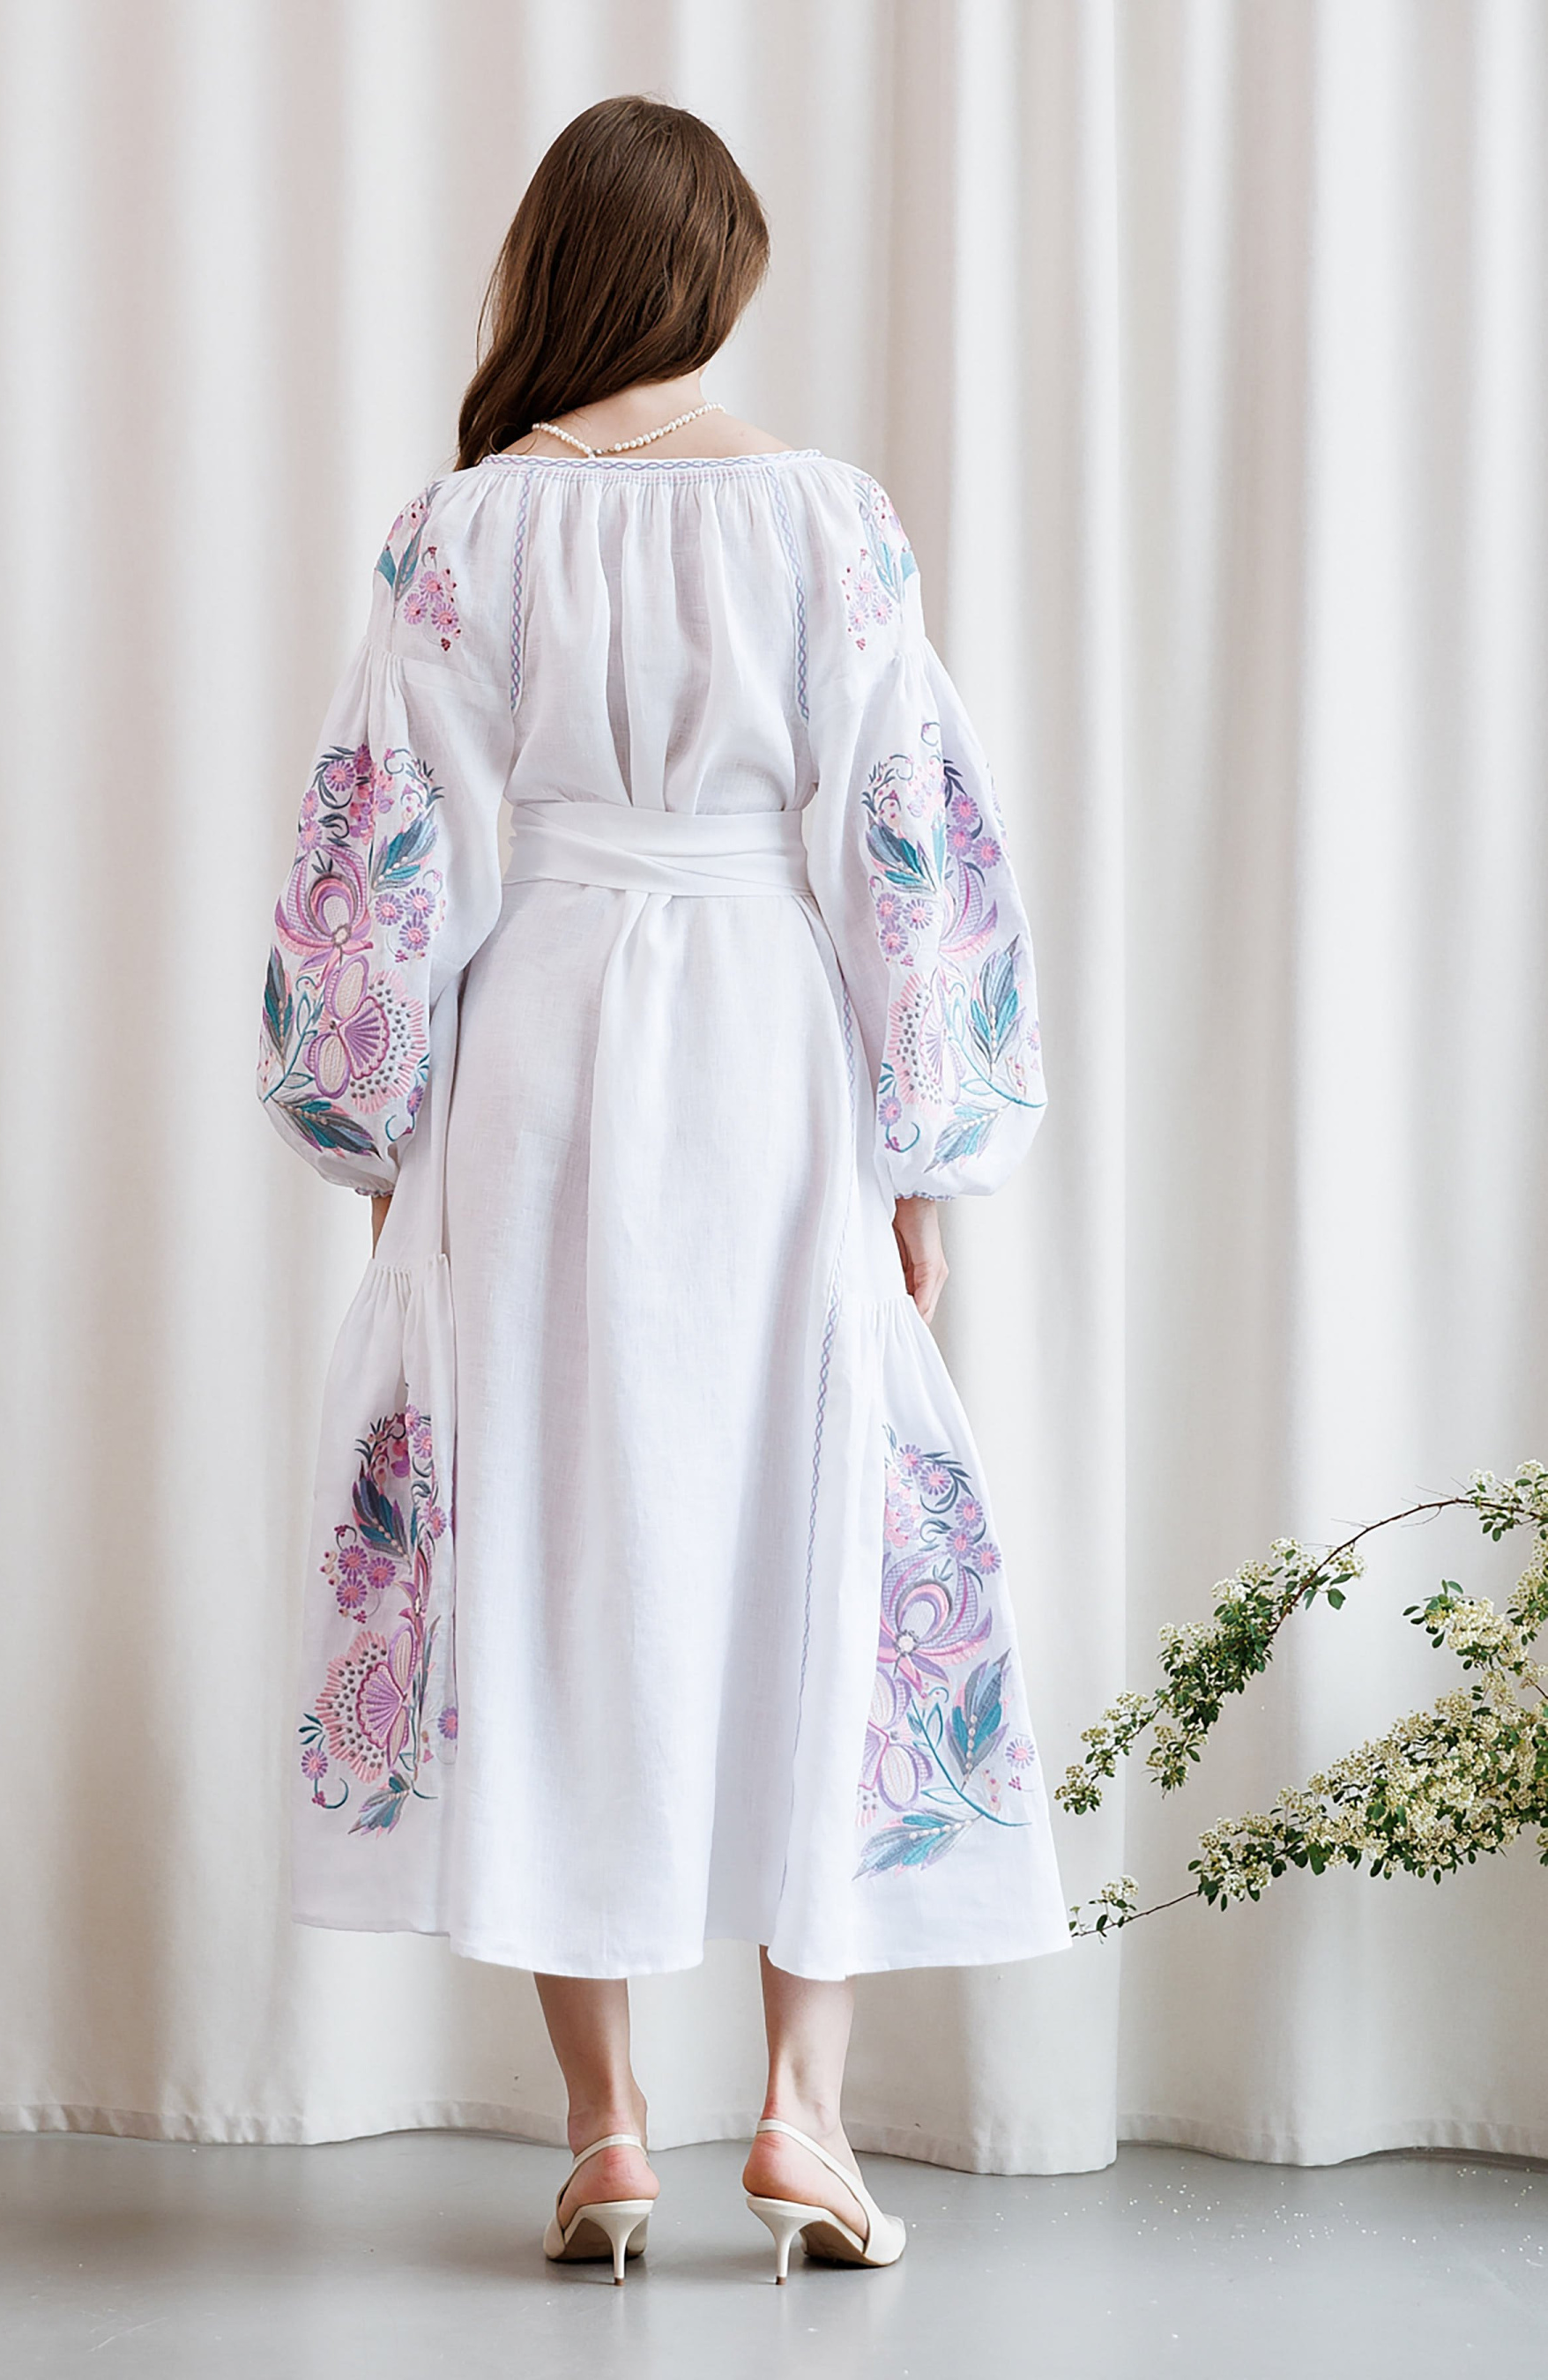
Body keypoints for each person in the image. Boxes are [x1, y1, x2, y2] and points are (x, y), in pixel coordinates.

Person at [260, 93, 1067, 2285]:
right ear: (717, 278)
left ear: (553, 268)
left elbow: (380, 831)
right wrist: (922, 1144)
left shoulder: (462, 528)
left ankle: (607, 2129)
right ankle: (801, 2112)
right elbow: (906, 822)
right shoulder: (823, 516)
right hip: (763, 1040)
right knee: (815, 1512)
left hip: (532, 1039)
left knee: (550, 1535)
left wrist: (377, 1122)